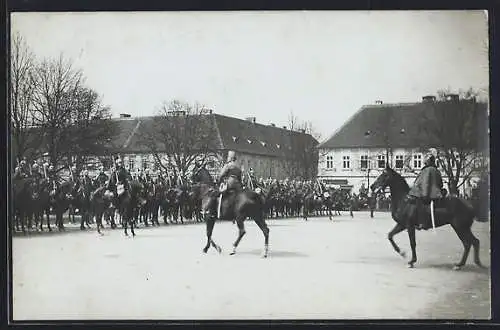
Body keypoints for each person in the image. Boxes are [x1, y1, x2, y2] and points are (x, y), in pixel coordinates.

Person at [408, 148, 444, 230]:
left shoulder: (427, 170)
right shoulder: (436, 170)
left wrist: (424, 195)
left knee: (419, 204)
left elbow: (425, 183)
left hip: (428, 193)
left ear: (429, 161)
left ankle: (421, 222)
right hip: (436, 193)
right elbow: (440, 183)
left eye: (426, 160)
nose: (424, 161)